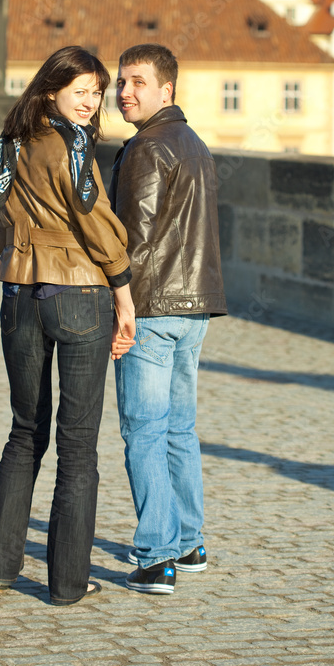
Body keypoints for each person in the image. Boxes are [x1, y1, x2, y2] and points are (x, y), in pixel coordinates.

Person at [0, 46, 135, 605]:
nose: (92, 104)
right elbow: (93, 217)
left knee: (25, 433)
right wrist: (124, 291)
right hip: (77, 295)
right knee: (77, 446)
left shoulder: (9, 141)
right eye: (81, 93)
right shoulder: (71, 143)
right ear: (51, 90)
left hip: (18, 293)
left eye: (97, 93)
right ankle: (68, 583)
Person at [109, 44, 227, 595]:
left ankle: (157, 557)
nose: (124, 91)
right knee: (179, 428)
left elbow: (134, 238)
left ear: (166, 90)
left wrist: (119, 304)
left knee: (144, 430)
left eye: (137, 82)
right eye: (121, 81)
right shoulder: (194, 143)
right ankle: (189, 540)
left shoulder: (148, 147)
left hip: (151, 309)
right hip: (194, 307)